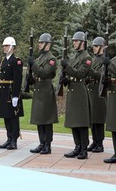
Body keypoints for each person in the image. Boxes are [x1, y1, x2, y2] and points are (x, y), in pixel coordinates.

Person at [61, 31, 92, 159]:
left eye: (76, 41)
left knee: (81, 121)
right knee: (74, 120)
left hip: (80, 91)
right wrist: (66, 80)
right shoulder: (75, 57)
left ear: (82, 42)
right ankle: (77, 146)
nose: (74, 43)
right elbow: (72, 74)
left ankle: (83, 149)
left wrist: (67, 67)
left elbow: (80, 74)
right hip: (73, 90)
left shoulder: (87, 58)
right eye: (73, 41)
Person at [28, 33, 58, 154]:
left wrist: (33, 64)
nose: (39, 45)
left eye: (41, 43)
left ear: (47, 44)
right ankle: (41, 142)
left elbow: (44, 73)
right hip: (38, 88)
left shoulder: (51, 59)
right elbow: (36, 73)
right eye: (39, 42)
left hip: (46, 91)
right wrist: (30, 79)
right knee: (39, 118)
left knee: (47, 119)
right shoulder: (40, 58)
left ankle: (47, 144)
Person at [0, 37, 24, 150]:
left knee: (13, 116)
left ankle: (14, 139)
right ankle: (9, 138)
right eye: (4, 46)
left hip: (11, 91)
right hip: (4, 90)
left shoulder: (16, 61)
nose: (4, 47)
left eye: (7, 46)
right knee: (6, 115)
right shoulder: (4, 60)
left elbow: (18, 79)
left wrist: (15, 96)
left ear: (12, 47)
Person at [86, 37, 106, 153]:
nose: (94, 48)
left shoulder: (104, 60)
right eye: (93, 46)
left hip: (99, 90)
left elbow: (101, 75)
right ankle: (94, 141)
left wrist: (90, 71)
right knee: (93, 118)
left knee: (99, 118)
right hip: (92, 90)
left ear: (102, 47)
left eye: (96, 46)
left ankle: (100, 143)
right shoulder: (93, 60)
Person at [103, 52, 116, 163]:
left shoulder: (112, 61)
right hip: (113, 95)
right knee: (113, 126)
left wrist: (110, 64)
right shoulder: (114, 59)